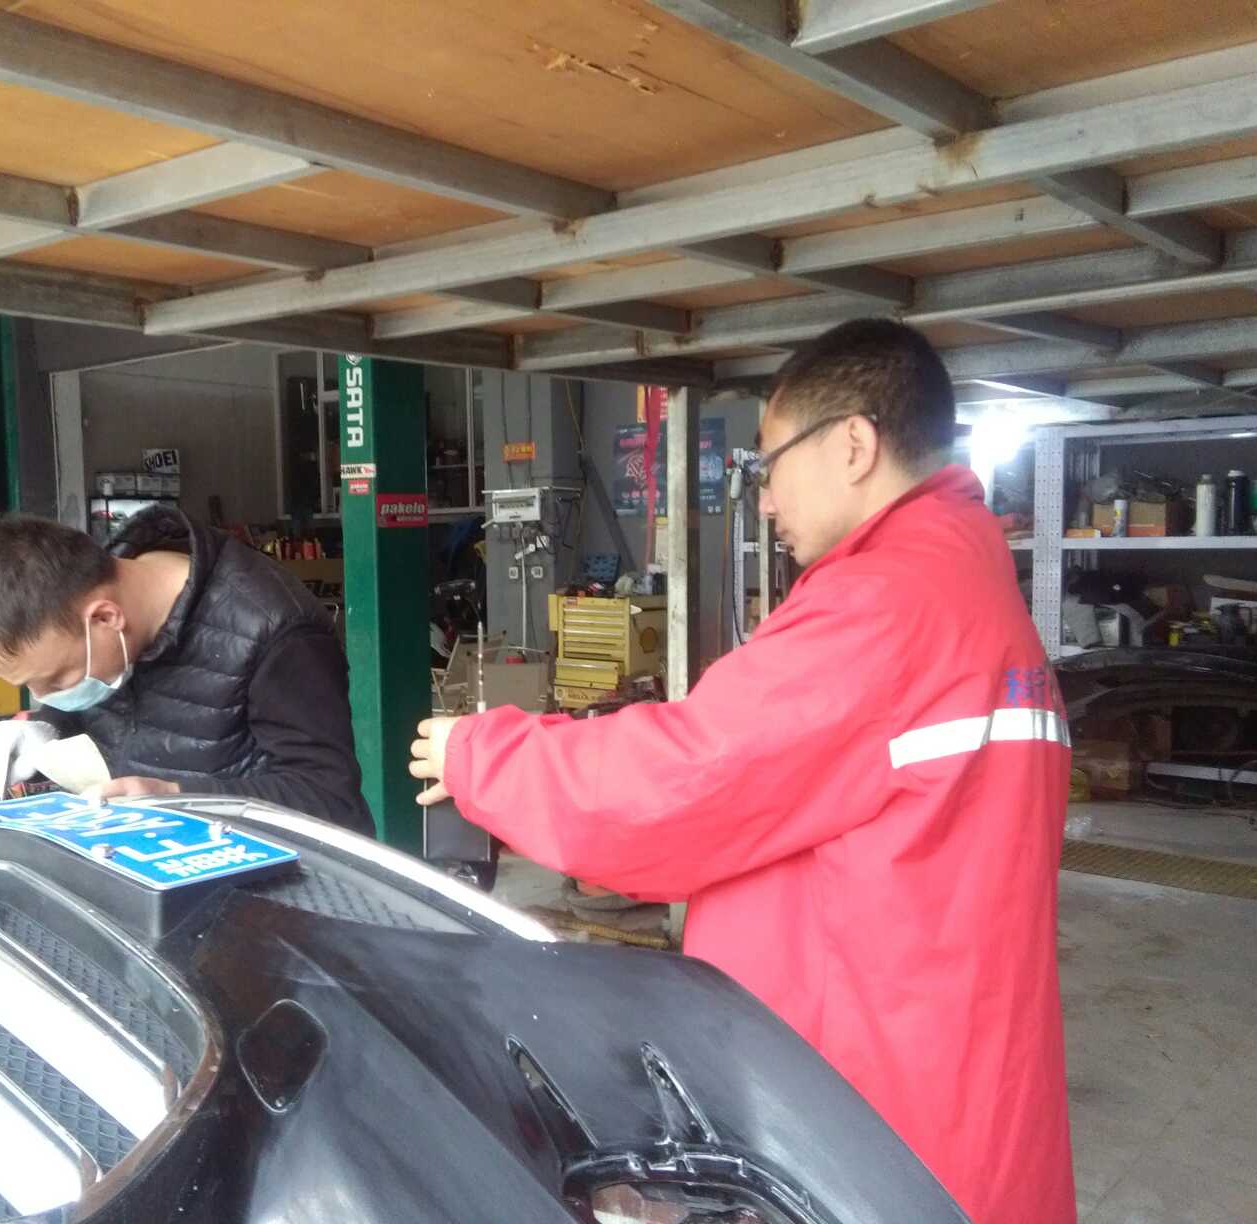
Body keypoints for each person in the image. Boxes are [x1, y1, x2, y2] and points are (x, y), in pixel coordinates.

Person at [409, 319, 1074, 1222]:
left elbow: (680, 784)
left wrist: (483, 755)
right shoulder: (974, 587)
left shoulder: (883, 606)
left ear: (852, 445)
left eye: (772, 463)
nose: (763, 501)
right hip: (962, 1094)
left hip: (871, 1125)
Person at [0, 505, 373, 835]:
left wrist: (178, 797)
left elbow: (329, 799)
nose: (47, 695)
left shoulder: (275, 631)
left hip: (259, 895)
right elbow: (96, 711)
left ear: (107, 618)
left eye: (57, 680)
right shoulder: (91, 601)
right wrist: (45, 729)